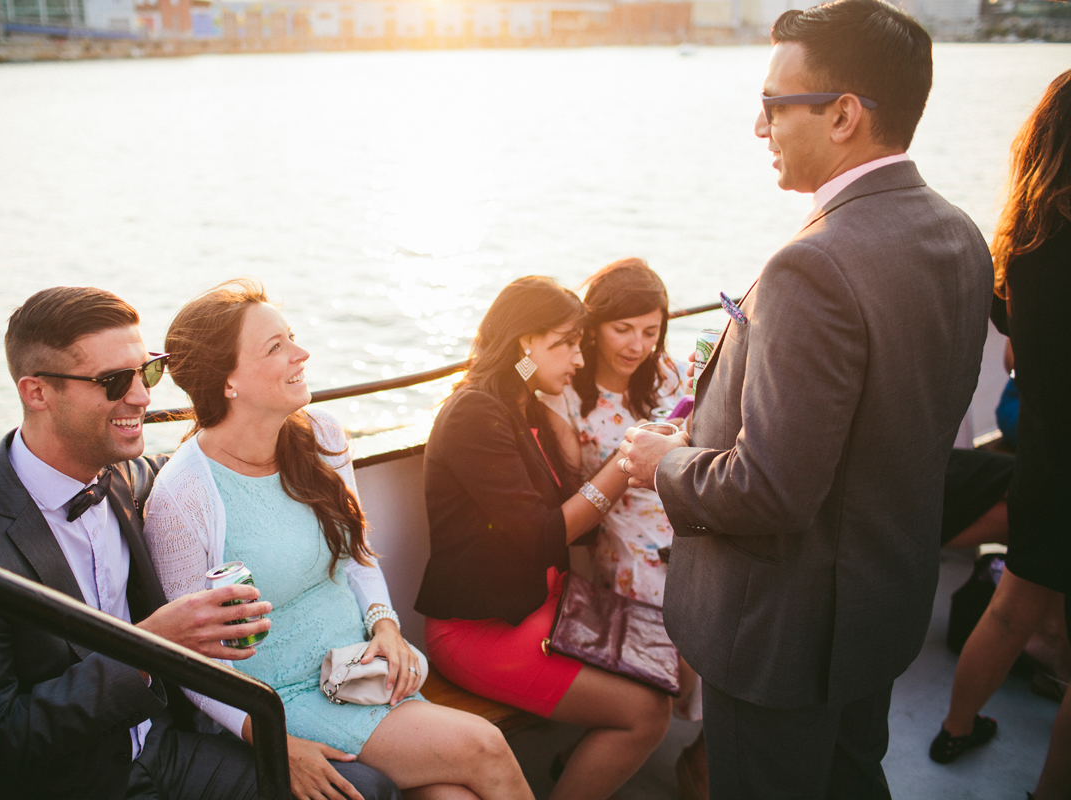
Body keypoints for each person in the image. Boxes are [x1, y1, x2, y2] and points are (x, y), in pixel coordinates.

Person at [619, 1, 994, 796]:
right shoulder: (959, 234)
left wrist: (665, 462)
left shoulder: (813, 266)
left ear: (845, 115)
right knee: (854, 777)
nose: (761, 129)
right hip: (878, 605)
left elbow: (771, 490)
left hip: (784, 635)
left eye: (772, 106)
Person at [0, 286, 400, 800]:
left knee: (365, 791)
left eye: (147, 370)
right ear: (37, 392)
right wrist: (148, 648)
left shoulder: (127, 476)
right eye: (114, 381)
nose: (142, 396)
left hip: (158, 748)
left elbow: (207, 469)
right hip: (63, 783)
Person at [142, 279, 529, 800]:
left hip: (361, 672)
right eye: (276, 347)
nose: (301, 354)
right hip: (279, 700)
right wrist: (272, 738)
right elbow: (192, 663)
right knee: (485, 747)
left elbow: (358, 555)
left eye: (292, 337)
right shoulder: (183, 496)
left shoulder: (321, 436)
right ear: (227, 381)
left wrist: (386, 627)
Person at [415, 276, 674, 800]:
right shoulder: (474, 414)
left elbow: (581, 526)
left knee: (669, 665)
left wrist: (577, 458)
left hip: (545, 604)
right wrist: (626, 465)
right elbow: (540, 539)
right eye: (565, 344)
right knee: (647, 713)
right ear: (523, 344)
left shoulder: (521, 403)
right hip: (479, 629)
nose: (579, 360)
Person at [930, 68, 1071, 800]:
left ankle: (955, 727)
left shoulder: (1022, 245)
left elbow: (1012, 346)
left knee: (1013, 607)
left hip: (1045, 464)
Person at [537, 259, 705, 797]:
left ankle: (699, 760)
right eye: (622, 328)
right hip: (623, 541)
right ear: (593, 326)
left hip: (692, 524)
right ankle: (598, 749)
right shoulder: (564, 397)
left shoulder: (674, 375)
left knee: (736, 634)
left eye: (650, 331)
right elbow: (573, 502)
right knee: (676, 667)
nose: (637, 345)